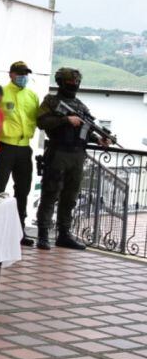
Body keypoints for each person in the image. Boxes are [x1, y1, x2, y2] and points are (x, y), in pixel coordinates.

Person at [35, 68, 110, 250]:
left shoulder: (81, 106)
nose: (74, 85)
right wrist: (66, 120)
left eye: (76, 82)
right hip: (58, 153)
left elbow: (86, 131)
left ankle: (64, 234)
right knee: (50, 194)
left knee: (70, 197)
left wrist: (99, 139)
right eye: (70, 82)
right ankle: (43, 234)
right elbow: (41, 122)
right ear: (61, 82)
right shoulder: (51, 101)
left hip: (77, 156)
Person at [0, 61, 40, 246]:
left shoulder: (32, 95)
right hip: (4, 146)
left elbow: (36, 120)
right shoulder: (1, 93)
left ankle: (19, 231)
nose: (23, 77)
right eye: (20, 74)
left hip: (24, 148)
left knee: (23, 190)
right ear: (11, 74)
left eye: (26, 74)